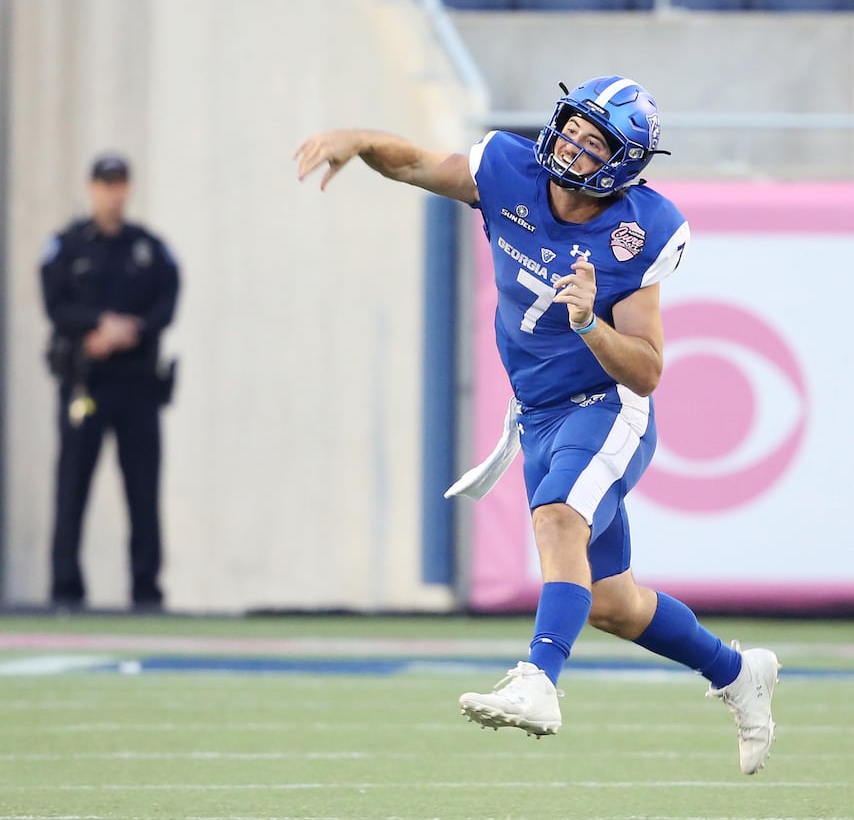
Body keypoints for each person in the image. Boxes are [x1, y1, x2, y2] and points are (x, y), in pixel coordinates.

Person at [295, 75, 780, 775]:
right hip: (541, 415)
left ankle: (539, 678)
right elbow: (417, 164)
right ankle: (738, 672)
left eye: (594, 142)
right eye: (574, 128)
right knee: (612, 602)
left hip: (607, 407)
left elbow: (644, 370)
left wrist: (588, 323)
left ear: (622, 165)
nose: (574, 146)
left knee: (557, 520)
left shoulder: (639, 233)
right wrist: (360, 139)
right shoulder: (507, 170)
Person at [40, 153, 180, 612]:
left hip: (137, 385)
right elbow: (55, 304)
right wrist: (96, 326)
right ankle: (65, 588)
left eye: (119, 183)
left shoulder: (148, 248)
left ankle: (146, 590)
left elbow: (166, 301)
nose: (112, 192)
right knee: (72, 484)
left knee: (142, 489)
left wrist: (129, 331)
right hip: (86, 383)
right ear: (91, 188)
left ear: (129, 188)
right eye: (105, 183)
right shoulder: (69, 246)